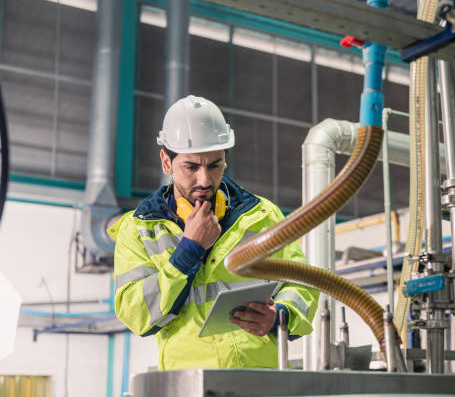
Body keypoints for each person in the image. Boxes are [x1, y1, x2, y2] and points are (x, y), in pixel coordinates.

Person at [109, 95, 319, 370]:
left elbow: (302, 282)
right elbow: (136, 314)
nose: (204, 180)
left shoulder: (262, 215)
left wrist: (280, 316)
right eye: (191, 167)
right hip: (189, 383)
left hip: (261, 383)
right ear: (166, 162)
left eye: (214, 165)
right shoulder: (139, 230)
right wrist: (188, 251)